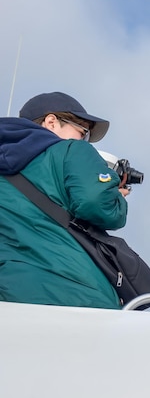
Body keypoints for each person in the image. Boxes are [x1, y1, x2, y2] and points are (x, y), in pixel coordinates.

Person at [0, 91, 128, 309]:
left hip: (8, 298)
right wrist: (115, 197)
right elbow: (97, 204)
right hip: (73, 294)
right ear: (51, 122)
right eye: (83, 132)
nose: (85, 140)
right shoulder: (70, 150)